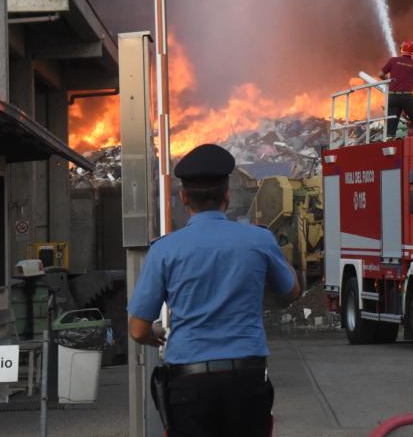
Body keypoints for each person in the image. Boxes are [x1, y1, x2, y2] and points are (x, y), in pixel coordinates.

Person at [128, 143, 301, 437]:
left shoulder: (164, 250)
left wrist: (157, 334)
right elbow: (291, 292)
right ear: (227, 194)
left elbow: (137, 329)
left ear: (184, 197)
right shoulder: (259, 240)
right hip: (247, 381)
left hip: (189, 385)